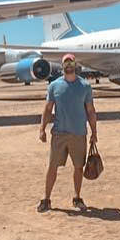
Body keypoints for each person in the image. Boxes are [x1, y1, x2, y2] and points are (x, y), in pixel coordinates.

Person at [37, 54, 98, 213]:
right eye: (66, 62)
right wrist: (42, 128)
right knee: (52, 167)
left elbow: (91, 111)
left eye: (71, 62)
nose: (69, 65)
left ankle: (77, 198)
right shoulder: (54, 86)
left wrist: (94, 132)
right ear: (62, 65)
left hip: (79, 134)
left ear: (75, 64)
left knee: (78, 167)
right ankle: (46, 199)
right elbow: (48, 109)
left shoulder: (84, 86)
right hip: (59, 134)